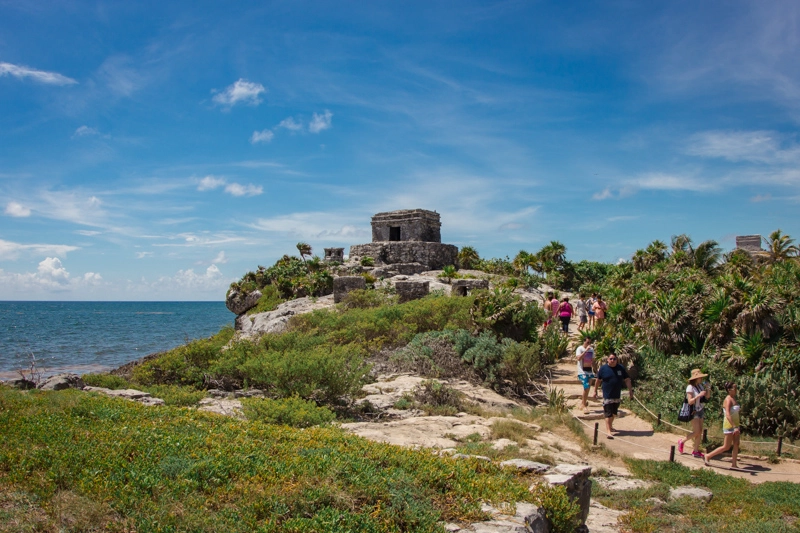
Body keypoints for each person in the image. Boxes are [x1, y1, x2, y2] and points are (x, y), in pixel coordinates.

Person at [594, 352, 632, 438]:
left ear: (616, 360)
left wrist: (630, 390)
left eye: (614, 359)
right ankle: (608, 432)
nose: (612, 360)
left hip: (617, 395)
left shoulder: (620, 368)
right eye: (611, 359)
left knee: (614, 413)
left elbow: (627, 379)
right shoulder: (603, 369)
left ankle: (610, 427)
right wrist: (595, 391)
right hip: (607, 395)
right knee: (608, 413)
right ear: (607, 359)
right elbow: (598, 381)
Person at [705, 382, 741, 469]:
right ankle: (708, 455)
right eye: (734, 388)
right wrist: (734, 426)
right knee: (726, 446)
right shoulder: (728, 400)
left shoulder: (733, 398)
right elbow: (728, 414)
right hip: (729, 425)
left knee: (736, 444)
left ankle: (734, 464)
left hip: (736, 423)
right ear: (729, 390)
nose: (736, 390)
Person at [678, 369, 710, 459]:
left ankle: (695, 450)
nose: (701, 379)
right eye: (700, 377)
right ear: (695, 378)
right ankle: (682, 441)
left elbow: (707, 397)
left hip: (700, 409)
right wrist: (698, 395)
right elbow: (690, 401)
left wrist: (708, 388)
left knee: (700, 431)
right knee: (697, 431)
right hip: (693, 411)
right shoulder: (690, 387)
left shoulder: (700, 386)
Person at [575, 338, 596, 412]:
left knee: (588, 388)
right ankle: (583, 405)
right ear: (584, 342)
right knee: (586, 387)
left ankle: (583, 403)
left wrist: (595, 370)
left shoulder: (592, 350)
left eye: (590, 342)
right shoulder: (579, 349)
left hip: (589, 371)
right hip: (582, 372)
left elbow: (592, 361)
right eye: (587, 342)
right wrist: (586, 351)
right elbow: (579, 358)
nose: (588, 344)